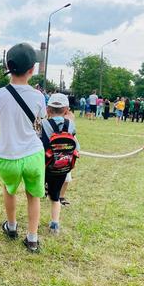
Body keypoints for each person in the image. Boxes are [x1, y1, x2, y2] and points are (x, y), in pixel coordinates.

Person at [0, 43, 46, 253]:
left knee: (9, 190)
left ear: (8, 66)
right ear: (32, 70)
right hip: (33, 153)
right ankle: (32, 238)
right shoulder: (39, 96)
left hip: (7, 154)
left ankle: (11, 227)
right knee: (33, 196)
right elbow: (38, 121)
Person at [40, 93, 80, 234]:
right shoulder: (71, 125)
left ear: (48, 110)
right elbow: (76, 146)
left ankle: (34, 219)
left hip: (45, 166)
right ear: (66, 110)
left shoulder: (43, 124)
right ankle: (54, 224)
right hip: (62, 167)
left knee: (37, 195)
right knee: (56, 197)